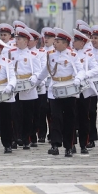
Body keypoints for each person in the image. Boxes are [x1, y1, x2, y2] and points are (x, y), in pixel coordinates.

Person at [36, 29, 85, 157]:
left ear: (65, 43)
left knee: (70, 119)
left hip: (69, 89)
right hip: (55, 89)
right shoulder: (51, 54)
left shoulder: (73, 55)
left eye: (57, 41)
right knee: (55, 118)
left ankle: (69, 146)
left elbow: (80, 70)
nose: (55, 43)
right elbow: (45, 70)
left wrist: (78, 79)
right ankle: (55, 144)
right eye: (55, 41)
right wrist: (37, 81)